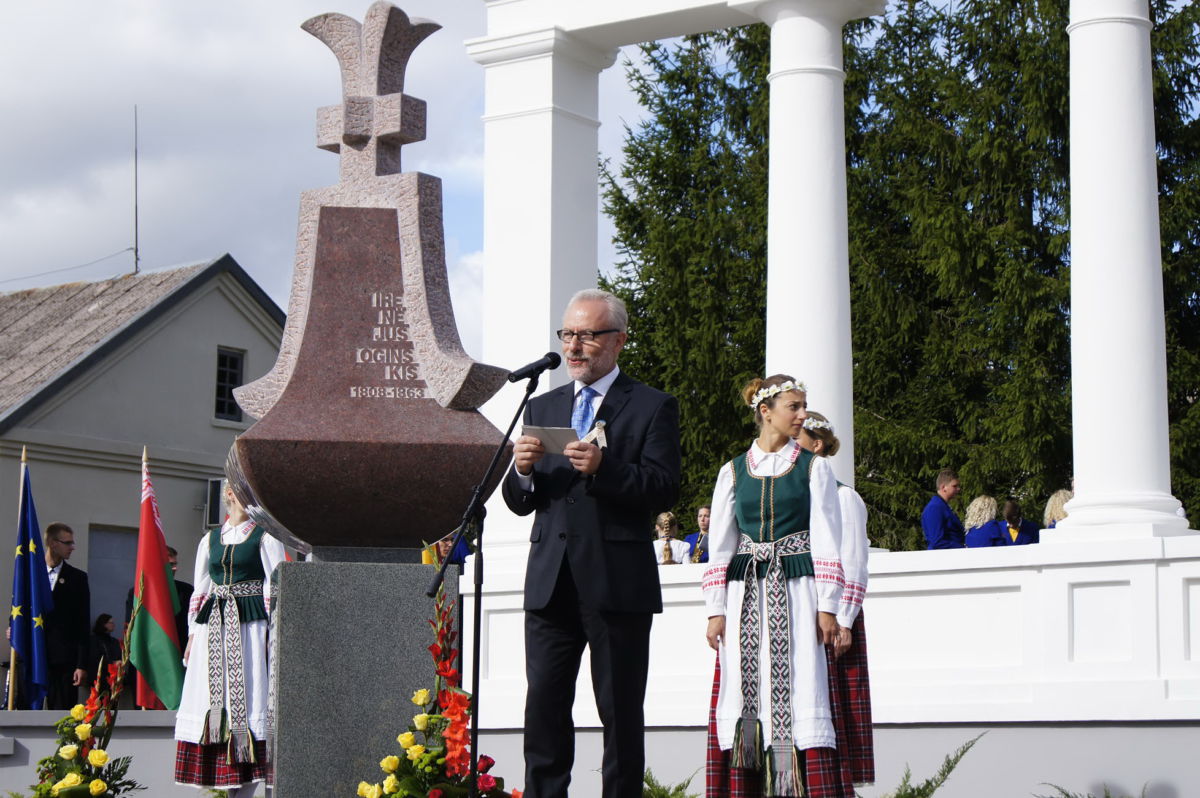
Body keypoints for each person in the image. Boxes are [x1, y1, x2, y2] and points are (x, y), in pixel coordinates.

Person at [502, 288, 681, 798]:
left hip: (616, 583)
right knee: (543, 709)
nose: (574, 346)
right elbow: (520, 501)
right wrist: (523, 471)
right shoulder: (542, 403)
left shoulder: (651, 405)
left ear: (618, 340)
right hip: (550, 582)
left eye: (587, 335)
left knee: (619, 713)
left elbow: (664, 487)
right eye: (568, 335)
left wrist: (606, 469)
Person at [703, 375, 847, 798]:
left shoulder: (813, 467)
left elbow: (827, 538)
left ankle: (798, 780)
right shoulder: (732, 471)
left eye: (803, 406)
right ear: (766, 412)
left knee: (801, 678)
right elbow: (720, 545)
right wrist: (715, 610)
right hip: (746, 593)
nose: (802, 415)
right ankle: (750, 781)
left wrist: (828, 606)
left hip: (797, 589)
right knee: (747, 683)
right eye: (793, 407)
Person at [174, 481, 287, 797]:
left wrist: (274, 633)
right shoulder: (210, 540)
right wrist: (193, 634)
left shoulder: (265, 536)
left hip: (251, 627)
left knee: (249, 693)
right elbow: (201, 588)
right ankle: (223, 774)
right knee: (211, 695)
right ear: (228, 494)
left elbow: (275, 585)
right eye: (238, 489)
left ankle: (247, 775)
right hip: (213, 626)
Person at [795, 411, 875, 788]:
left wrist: (844, 619)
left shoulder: (844, 497)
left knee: (832, 707)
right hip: (802, 613)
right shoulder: (797, 498)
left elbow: (854, 561)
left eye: (798, 439)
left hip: (834, 618)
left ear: (817, 445)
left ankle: (833, 785)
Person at [42, 522, 90, 710]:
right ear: (53, 544)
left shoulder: (77, 578)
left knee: (62, 715)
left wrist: (81, 664)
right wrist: (13, 627)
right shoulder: (31, 574)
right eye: (68, 543)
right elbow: (19, 606)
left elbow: (83, 623)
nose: (73, 547)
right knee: (27, 713)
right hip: (34, 655)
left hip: (64, 661)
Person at [921, 469, 964, 549]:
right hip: (943, 555)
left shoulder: (943, 506)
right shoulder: (934, 508)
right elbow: (937, 541)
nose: (958, 489)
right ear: (943, 487)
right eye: (954, 486)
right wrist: (962, 547)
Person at [87, 614, 122, 692]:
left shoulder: (114, 641)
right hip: (99, 678)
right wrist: (112, 663)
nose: (113, 625)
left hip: (113, 677)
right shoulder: (94, 640)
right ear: (103, 624)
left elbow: (118, 656)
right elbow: (95, 657)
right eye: (110, 622)